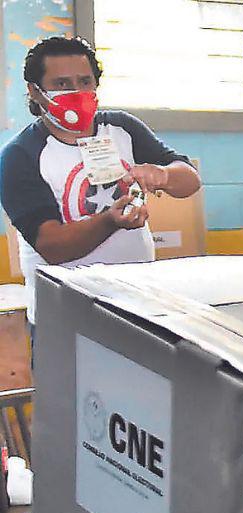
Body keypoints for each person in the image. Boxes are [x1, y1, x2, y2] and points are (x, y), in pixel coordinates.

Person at [1, 36, 201, 338]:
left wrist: (163, 174)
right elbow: (52, 245)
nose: (77, 92)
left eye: (85, 81)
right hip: (65, 319)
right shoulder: (19, 156)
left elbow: (189, 179)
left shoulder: (122, 128)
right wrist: (110, 220)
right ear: (35, 92)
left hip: (139, 308)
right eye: (62, 84)